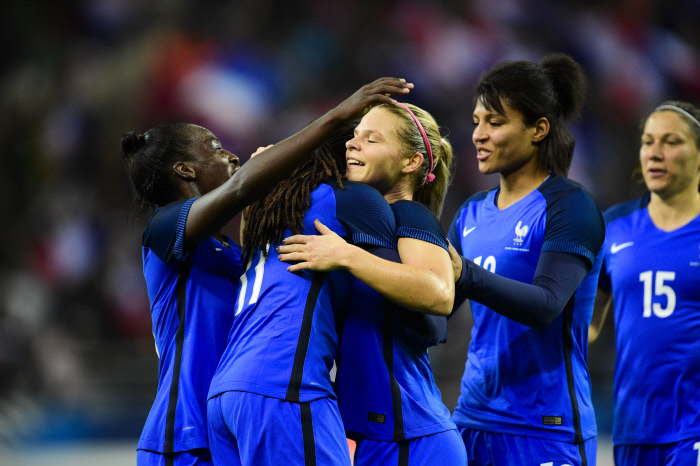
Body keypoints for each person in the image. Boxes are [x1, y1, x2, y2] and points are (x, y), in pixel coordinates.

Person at [120, 77, 413, 466]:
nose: (233, 157)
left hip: (229, 423)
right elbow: (241, 187)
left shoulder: (230, 248)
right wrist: (335, 118)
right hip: (183, 436)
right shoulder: (163, 230)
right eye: (216, 148)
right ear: (184, 170)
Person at [277, 102, 467, 465]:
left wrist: (347, 256)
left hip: (412, 438)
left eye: (371, 139)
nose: (352, 144)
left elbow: (439, 296)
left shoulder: (411, 215)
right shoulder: (353, 220)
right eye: (354, 135)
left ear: (411, 162)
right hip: (374, 438)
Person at [447, 53, 604, 465]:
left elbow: (546, 305)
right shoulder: (470, 213)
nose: (479, 134)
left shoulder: (570, 206)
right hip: (471, 421)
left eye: (495, 123)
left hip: (545, 430)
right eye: (477, 120)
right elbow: (437, 311)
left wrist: (465, 274)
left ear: (538, 130)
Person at [589, 101, 700, 465]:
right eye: (648, 141)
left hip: (693, 428)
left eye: (671, 142)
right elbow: (587, 325)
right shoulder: (614, 226)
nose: (655, 152)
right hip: (633, 427)